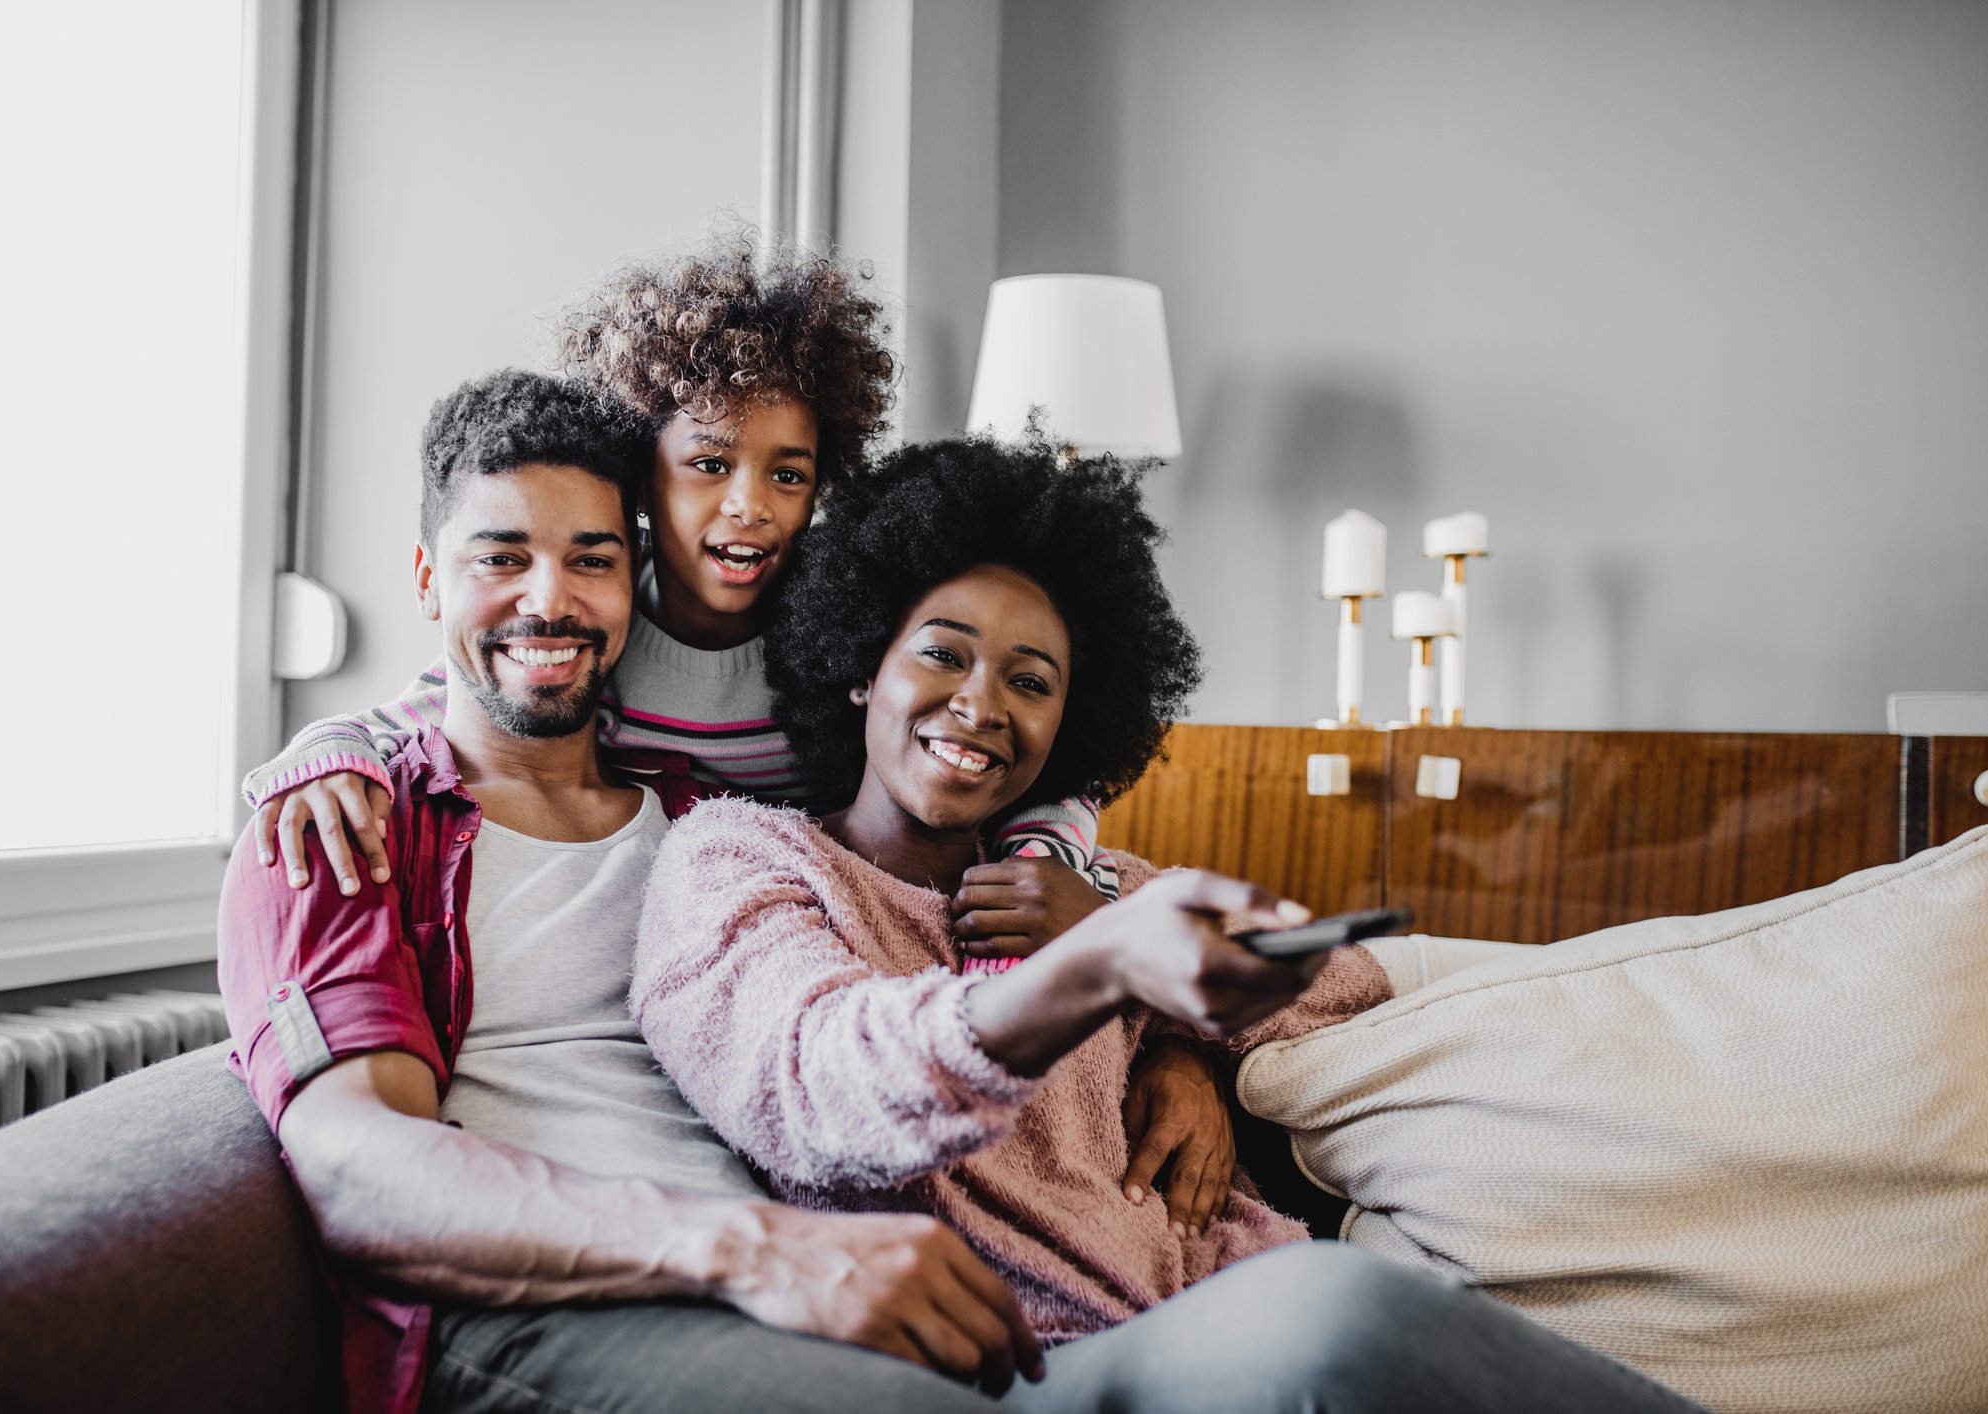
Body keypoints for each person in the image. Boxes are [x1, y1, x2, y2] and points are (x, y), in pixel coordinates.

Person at [630, 436, 1705, 1412]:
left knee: (1357, 1309)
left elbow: (1341, 992)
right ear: (863, 663)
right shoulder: (741, 859)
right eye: (943, 653)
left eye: (1032, 679)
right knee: (1339, 1317)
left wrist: (1156, 997)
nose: (982, 702)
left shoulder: (1088, 882)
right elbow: (818, 1085)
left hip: (1216, 1299)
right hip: (1025, 1366)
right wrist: (1103, 968)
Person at [240, 238, 1244, 1234]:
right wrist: (322, 753)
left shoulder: (842, 638)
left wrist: (1077, 909)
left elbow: (1012, 766)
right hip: (731, 982)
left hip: (859, 963)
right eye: (709, 464)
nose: (749, 507)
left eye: (789, 474)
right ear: (643, 481)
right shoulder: (589, 623)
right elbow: (444, 694)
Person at [217, 370, 1046, 1414]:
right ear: (428, 578)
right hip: (546, 1310)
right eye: (501, 559)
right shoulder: (344, 826)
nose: (549, 600)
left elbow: (951, 896)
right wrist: (750, 1248)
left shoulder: (714, 822)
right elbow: (359, 1172)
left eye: (591, 560)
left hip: (795, 1285)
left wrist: (1181, 1050)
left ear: (634, 577)